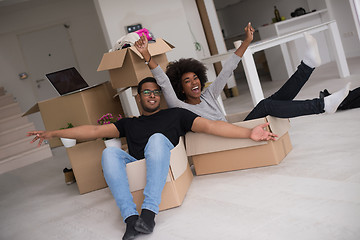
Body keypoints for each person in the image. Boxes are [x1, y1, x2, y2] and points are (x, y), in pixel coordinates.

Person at [28, 77, 277, 240]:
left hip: (163, 158)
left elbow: (212, 127)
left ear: (160, 95)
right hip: (140, 164)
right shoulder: (129, 123)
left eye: (156, 92)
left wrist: (248, 132)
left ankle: (148, 213)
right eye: (146, 92)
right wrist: (53, 133)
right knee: (109, 152)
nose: (152, 95)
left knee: (157, 139)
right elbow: (93, 131)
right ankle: (130, 218)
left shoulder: (177, 115)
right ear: (138, 98)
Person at [135, 22, 351, 122]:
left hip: (235, 130)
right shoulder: (178, 106)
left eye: (195, 78)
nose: (194, 83)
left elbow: (227, 71)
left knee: (274, 100)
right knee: (266, 105)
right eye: (187, 81)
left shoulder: (208, 95)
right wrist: (147, 56)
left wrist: (246, 42)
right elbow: (163, 81)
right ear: (180, 89)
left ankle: (308, 65)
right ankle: (321, 105)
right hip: (228, 138)